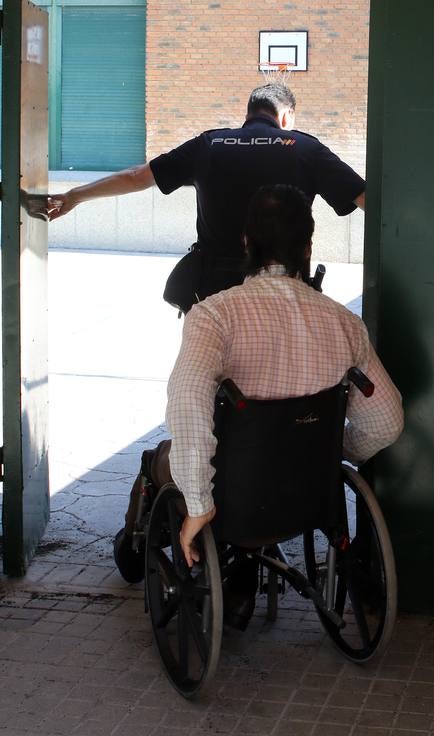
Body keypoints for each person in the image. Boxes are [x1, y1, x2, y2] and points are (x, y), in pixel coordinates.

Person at [116, 185, 403, 624]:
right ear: (308, 247)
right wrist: (330, 452)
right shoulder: (345, 324)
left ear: (246, 242)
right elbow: (386, 421)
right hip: (310, 492)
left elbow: (190, 402)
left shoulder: (215, 316)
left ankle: (134, 543)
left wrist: (198, 502)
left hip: (231, 489)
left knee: (158, 459)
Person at [47, 83, 365, 300]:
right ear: (285, 117)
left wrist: (74, 196)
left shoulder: (209, 145)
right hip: (281, 288)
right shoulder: (305, 148)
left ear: (249, 112)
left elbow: (135, 178)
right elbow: (367, 200)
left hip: (213, 287)